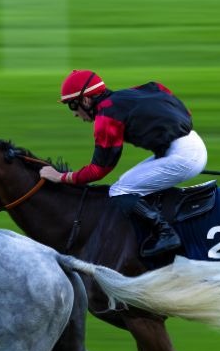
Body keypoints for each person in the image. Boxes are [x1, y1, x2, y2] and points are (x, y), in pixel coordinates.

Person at [39, 70, 208, 257]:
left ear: (86, 101)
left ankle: (166, 233)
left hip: (181, 155)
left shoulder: (106, 116)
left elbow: (98, 170)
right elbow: (160, 88)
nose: (75, 114)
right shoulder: (127, 94)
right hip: (187, 144)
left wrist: (62, 177)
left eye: (72, 105)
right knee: (129, 182)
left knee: (120, 190)